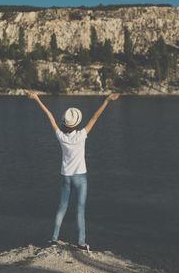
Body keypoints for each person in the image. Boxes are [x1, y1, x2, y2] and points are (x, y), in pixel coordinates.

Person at [27, 91, 120, 251]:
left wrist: (37, 99)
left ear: (65, 123)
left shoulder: (61, 137)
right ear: (77, 123)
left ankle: (54, 239)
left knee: (62, 208)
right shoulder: (82, 135)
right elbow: (95, 118)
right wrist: (106, 100)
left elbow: (49, 115)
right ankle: (81, 243)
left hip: (66, 177)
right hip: (80, 177)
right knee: (80, 209)